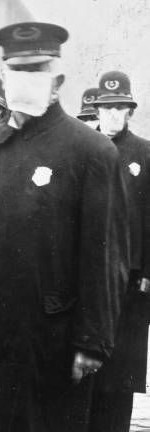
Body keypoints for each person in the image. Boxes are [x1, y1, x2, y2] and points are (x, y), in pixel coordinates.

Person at [0, 22, 129, 432]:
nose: (26, 80)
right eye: (17, 71)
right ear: (4, 78)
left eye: (37, 70)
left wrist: (91, 341)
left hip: (43, 338)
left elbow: (104, 256)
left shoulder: (90, 152)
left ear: (58, 81)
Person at [89, 70, 150, 432]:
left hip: (129, 284)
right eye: (106, 107)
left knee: (120, 379)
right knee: (84, 370)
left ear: (129, 111)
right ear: (96, 110)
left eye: (119, 108)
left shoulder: (144, 154)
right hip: (89, 279)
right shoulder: (84, 149)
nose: (112, 114)